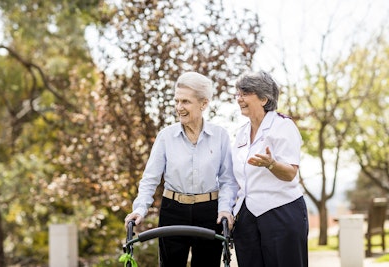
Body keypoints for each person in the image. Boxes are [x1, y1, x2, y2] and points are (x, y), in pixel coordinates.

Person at [124, 71, 238, 267]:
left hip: (209, 213)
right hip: (173, 210)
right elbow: (150, 179)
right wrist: (139, 209)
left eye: (185, 101)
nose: (179, 107)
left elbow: (228, 180)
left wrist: (225, 210)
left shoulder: (220, 136)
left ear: (204, 103)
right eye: (177, 101)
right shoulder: (166, 137)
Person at [231, 70, 308, 267]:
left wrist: (271, 164)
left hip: (281, 213)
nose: (239, 99)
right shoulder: (240, 134)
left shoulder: (283, 126)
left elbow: (290, 173)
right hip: (247, 218)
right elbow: (235, 178)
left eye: (245, 93)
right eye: (238, 94)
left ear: (264, 99)